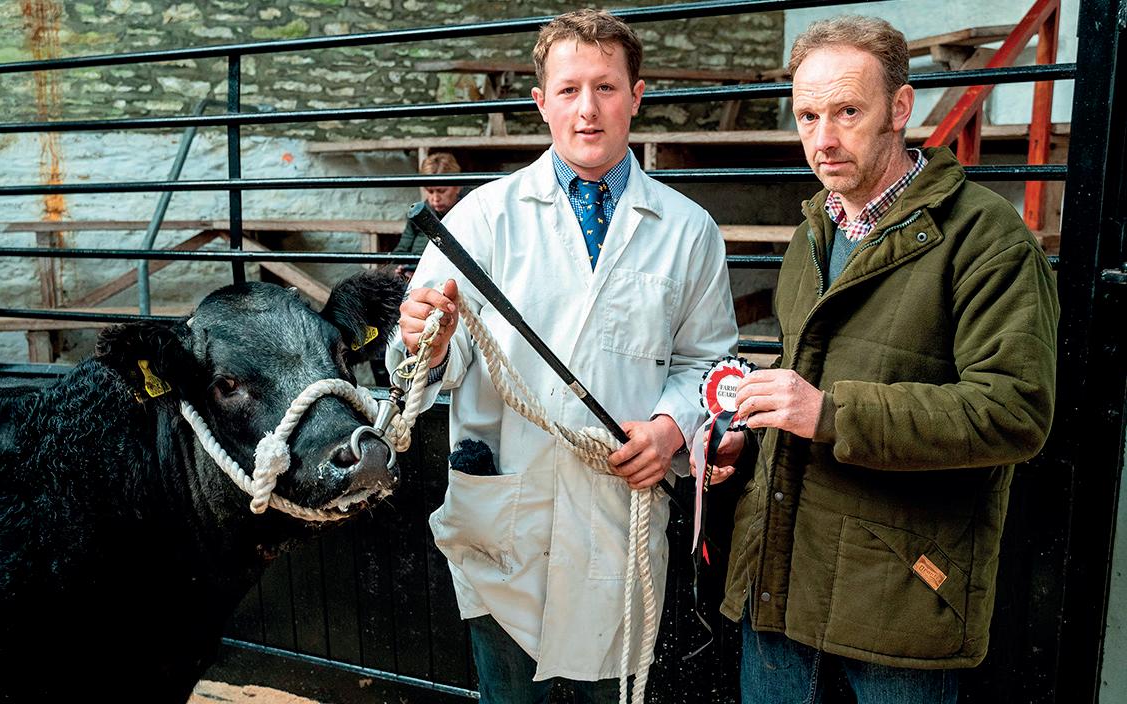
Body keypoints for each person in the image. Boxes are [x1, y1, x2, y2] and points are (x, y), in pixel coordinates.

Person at [386, 9, 737, 702]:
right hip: (504, 522)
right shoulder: (482, 217)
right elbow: (419, 365)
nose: (587, 109)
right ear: (540, 101)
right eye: (569, 89)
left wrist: (669, 430)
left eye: (606, 87)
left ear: (636, 97)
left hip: (616, 517)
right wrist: (430, 337)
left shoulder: (689, 230)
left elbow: (706, 364)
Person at [706, 15, 1059, 703]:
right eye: (808, 116)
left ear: (900, 108)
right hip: (778, 590)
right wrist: (748, 442)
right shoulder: (812, 231)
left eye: (847, 112)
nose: (823, 139)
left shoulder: (988, 240)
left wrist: (831, 414)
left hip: (900, 601)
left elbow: (1015, 412)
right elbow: (805, 401)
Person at [394, 151, 464, 280]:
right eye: (430, 191)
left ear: (457, 187)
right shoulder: (419, 213)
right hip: (415, 274)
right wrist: (401, 267)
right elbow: (401, 250)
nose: (435, 198)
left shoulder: (468, 211)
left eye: (442, 191)